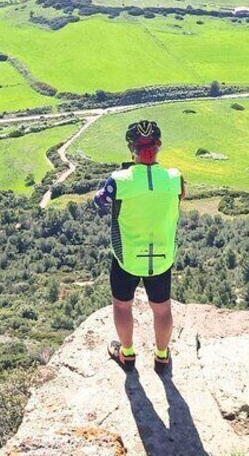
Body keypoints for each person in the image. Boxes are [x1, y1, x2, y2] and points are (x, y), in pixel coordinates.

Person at [94, 120, 185, 373]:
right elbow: (178, 197)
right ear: (159, 147)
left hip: (127, 257)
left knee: (123, 305)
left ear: (130, 148)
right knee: (162, 308)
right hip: (162, 257)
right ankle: (162, 356)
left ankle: (128, 354)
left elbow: (99, 202)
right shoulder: (175, 178)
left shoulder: (119, 180)